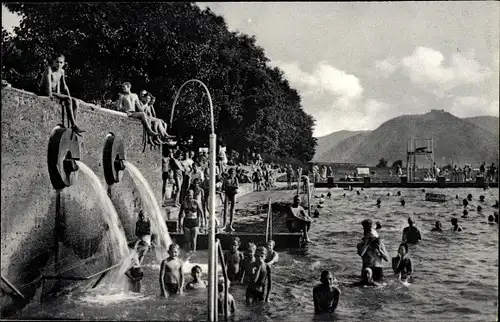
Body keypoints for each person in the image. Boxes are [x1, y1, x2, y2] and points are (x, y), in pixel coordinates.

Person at [39, 53, 85, 135]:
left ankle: (73, 125)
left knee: (74, 101)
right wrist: (49, 95)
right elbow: (48, 85)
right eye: (57, 62)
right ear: (53, 62)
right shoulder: (49, 69)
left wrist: (70, 96)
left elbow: (64, 86)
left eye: (61, 62)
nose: (59, 64)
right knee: (68, 99)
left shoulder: (61, 72)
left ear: (64, 63)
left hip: (55, 93)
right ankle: (74, 125)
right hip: (46, 92)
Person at [357, 219, 389, 283]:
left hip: (378, 269)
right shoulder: (361, 244)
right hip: (367, 269)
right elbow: (361, 253)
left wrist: (380, 250)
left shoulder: (380, 244)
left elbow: (387, 259)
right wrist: (367, 243)